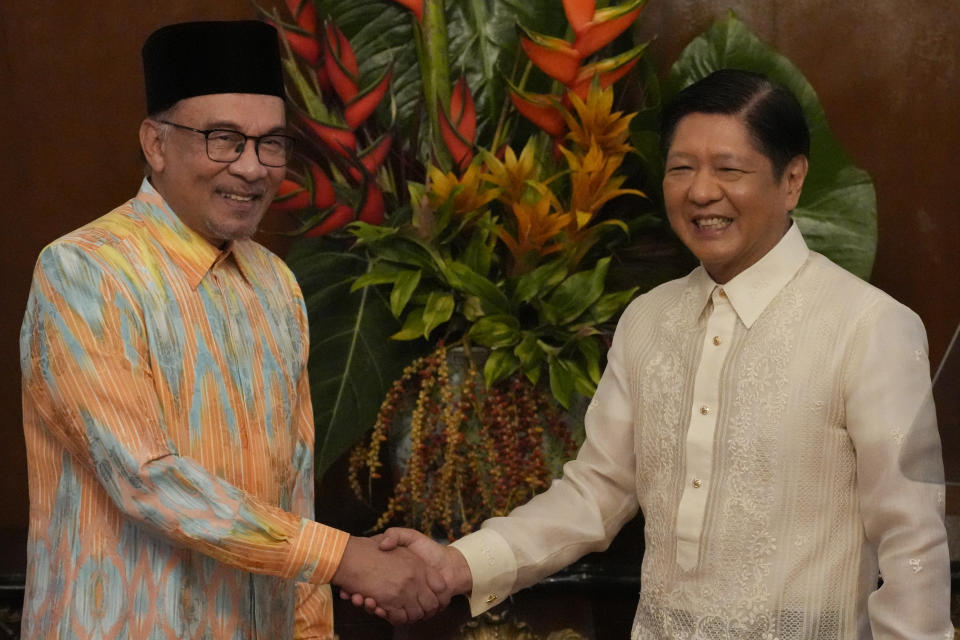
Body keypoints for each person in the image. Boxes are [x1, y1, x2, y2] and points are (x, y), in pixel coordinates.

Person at [354, 69, 953, 638]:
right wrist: (456, 565)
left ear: (792, 179)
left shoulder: (869, 325)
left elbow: (911, 541)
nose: (701, 191)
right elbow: (597, 492)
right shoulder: (650, 318)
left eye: (729, 168)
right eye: (681, 167)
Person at [19, 20, 445, 639]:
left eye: (271, 144)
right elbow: (145, 477)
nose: (251, 168)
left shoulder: (276, 284)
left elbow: (293, 488)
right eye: (224, 139)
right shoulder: (86, 270)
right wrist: (344, 559)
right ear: (156, 143)